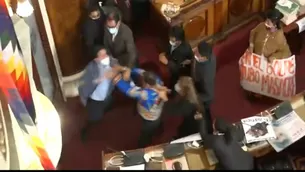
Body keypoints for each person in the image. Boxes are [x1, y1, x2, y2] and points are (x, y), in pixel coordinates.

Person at [112, 68, 168, 148]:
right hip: (157, 113)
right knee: (157, 124)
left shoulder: (145, 94)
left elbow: (130, 91)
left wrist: (117, 80)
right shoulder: (158, 81)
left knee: (145, 134)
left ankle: (142, 147)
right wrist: (128, 70)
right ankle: (158, 131)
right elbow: (143, 72)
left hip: (149, 117)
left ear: (147, 84)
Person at [78, 45, 118, 142]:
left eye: (106, 54)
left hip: (107, 95)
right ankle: (85, 130)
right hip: (95, 99)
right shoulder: (91, 68)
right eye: (101, 55)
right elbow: (82, 85)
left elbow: (119, 69)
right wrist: (98, 80)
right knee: (94, 118)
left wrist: (117, 75)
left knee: (106, 106)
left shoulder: (113, 62)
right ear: (96, 59)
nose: (105, 57)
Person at [159, 26, 194, 92]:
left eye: (173, 40)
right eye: (170, 38)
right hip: (173, 62)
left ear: (179, 40)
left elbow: (177, 68)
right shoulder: (173, 42)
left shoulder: (183, 51)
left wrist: (167, 62)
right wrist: (164, 53)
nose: (170, 41)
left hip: (181, 73)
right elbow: (169, 49)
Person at [192, 41, 216, 130]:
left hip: (203, 94)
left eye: (197, 53)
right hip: (198, 82)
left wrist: (194, 97)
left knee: (205, 113)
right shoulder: (209, 54)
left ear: (203, 58)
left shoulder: (207, 76)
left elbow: (209, 95)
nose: (194, 52)